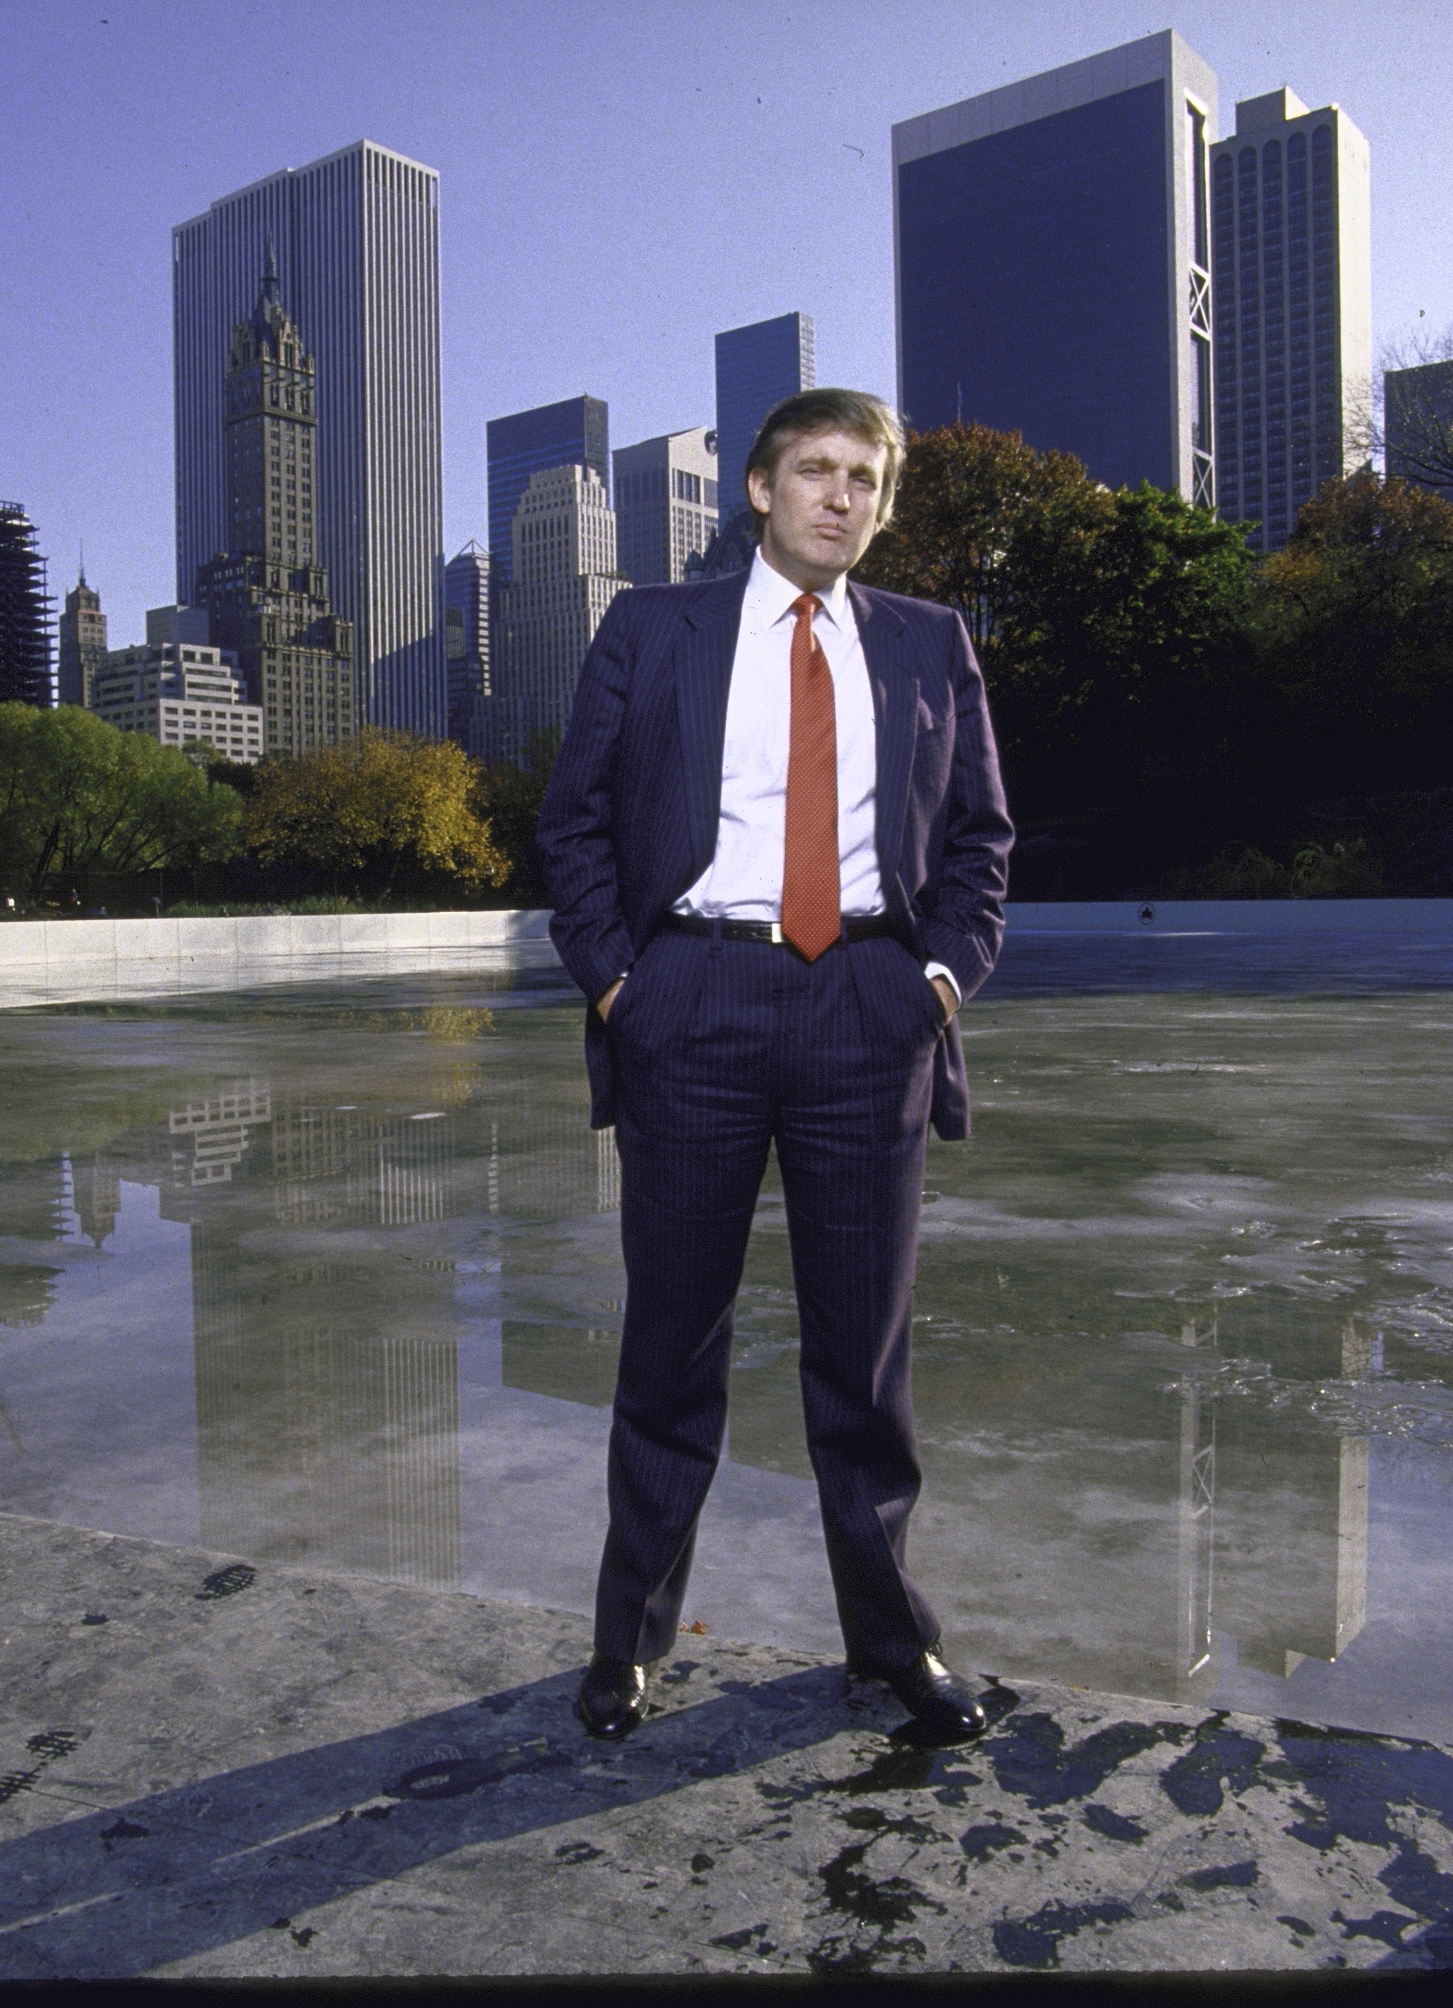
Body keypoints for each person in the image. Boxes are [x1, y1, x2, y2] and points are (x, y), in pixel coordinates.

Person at [534, 388, 1013, 1745]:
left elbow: (983, 840)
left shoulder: (931, 643)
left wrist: (933, 978)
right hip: (693, 995)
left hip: (868, 1003)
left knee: (862, 1358)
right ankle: (628, 1637)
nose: (842, 498)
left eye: (867, 479)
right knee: (671, 1340)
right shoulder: (652, 629)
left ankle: (890, 1645)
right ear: (759, 488)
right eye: (817, 471)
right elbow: (572, 824)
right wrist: (625, 981)